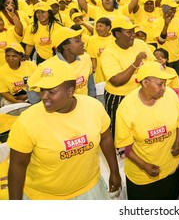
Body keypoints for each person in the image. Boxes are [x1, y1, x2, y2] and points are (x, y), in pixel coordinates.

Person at [7, 60, 121, 199]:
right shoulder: (27, 120)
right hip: (45, 198)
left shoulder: (93, 107)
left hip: (90, 189)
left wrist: (114, 172)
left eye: (51, 92)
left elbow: (106, 138)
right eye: (42, 90)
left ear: (70, 91)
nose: (44, 96)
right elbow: (17, 165)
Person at [115, 61, 179, 200]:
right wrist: (144, 165)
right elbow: (125, 147)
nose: (164, 88)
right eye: (160, 84)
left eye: (165, 83)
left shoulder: (170, 95)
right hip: (143, 177)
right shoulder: (127, 108)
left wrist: (177, 142)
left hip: (171, 168)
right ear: (145, 83)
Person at [100, 15, 155, 139]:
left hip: (140, 94)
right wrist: (135, 64)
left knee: (139, 128)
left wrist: (159, 64)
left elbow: (154, 63)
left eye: (133, 31)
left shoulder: (140, 44)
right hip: (119, 97)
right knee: (120, 131)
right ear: (118, 34)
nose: (133, 35)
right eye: (129, 32)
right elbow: (116, 81)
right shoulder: (109, 53)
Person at [85, 17, 114, 84]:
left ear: (108, 27)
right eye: (97, 26)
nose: (98, 28)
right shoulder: (92, 39)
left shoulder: (114, 38)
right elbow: (93, 57)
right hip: (99, 75)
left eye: (101, 26)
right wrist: (94, 69)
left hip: (113, 71)